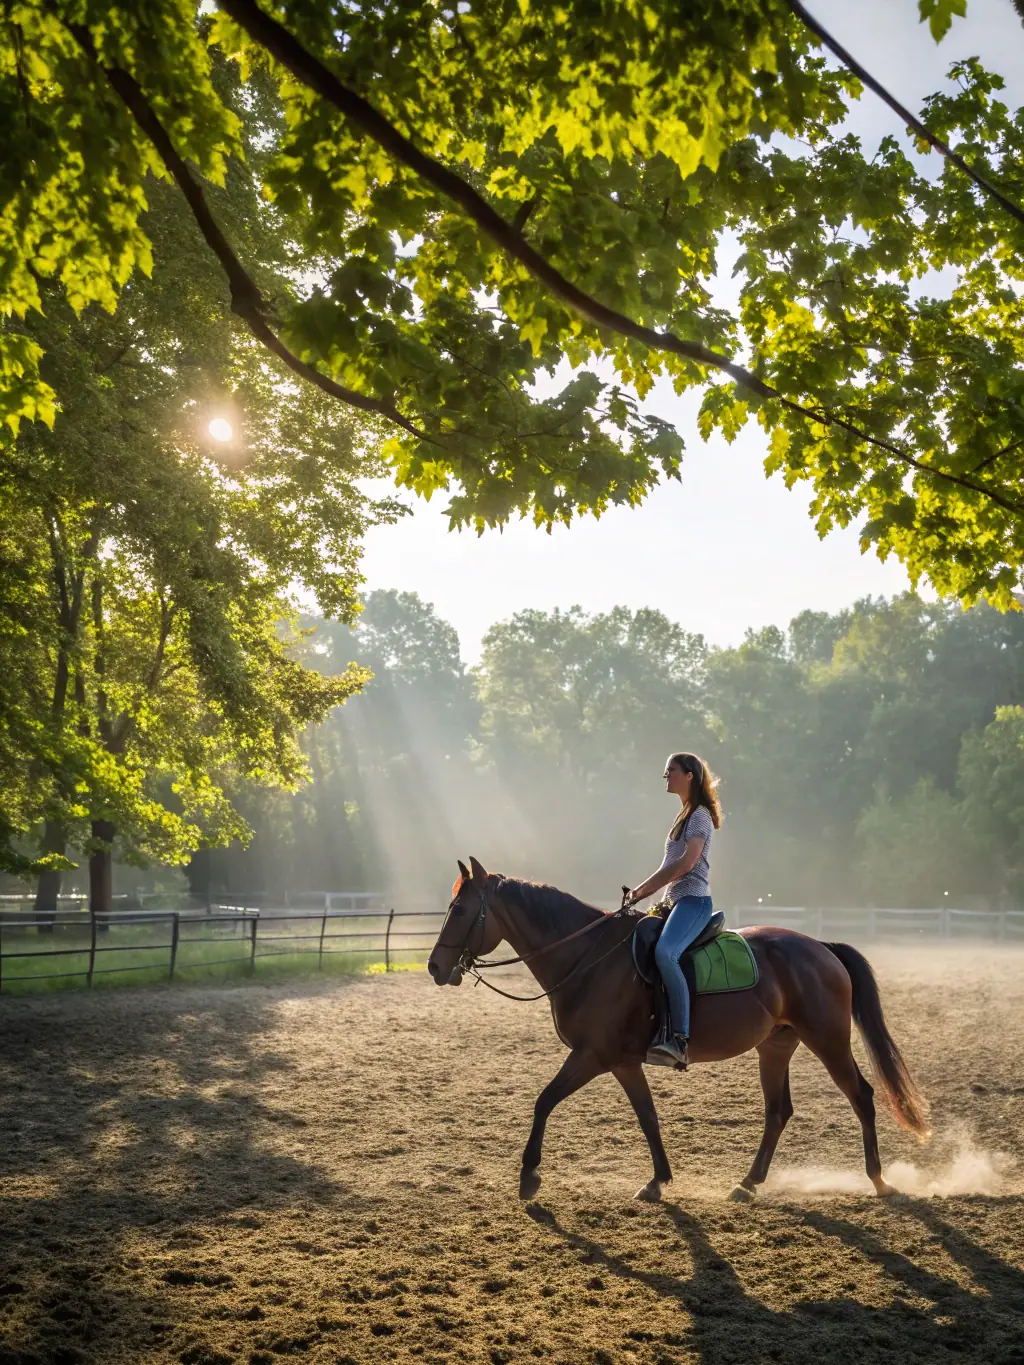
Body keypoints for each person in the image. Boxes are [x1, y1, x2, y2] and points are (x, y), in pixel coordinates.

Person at [629, 752, 722, 1070]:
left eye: (670, 771)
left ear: (690, 775)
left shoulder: (699, 816)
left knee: (666, 953)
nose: (666, 777)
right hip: (673, 902)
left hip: (693, 902)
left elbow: (687, 863)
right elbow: (668, 865)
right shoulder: (684, 815)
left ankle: (680, 1039)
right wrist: (642, 892)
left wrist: (644, 891)